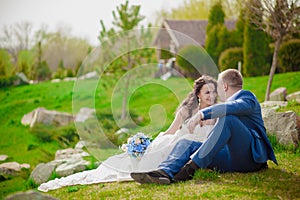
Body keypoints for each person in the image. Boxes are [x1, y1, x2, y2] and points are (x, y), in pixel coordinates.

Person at [38, 75, 218, 192]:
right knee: (166, 145)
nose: (211, 96)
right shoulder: (186, 111)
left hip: (198, 147)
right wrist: (150, 143)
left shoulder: (219, 112)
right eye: (207, 92)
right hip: (178, 141)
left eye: (213, 92)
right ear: (198, 95)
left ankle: (162, 172)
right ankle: (152, 172)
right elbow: (172, 131)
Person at [130, 69, 278, 185]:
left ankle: (190, 168)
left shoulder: (247, 98)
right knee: (186, 142)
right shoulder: (222, 105)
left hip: (250, 159)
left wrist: (201, 114)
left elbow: (231, 107)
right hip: (230, 157)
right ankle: (164, 172)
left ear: (224, 86)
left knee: (229, 120)